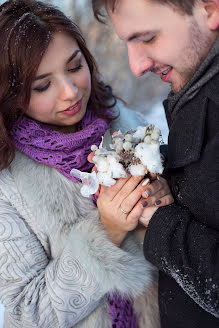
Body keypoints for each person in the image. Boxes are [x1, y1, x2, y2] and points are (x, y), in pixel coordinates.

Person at [0, 0, 173, 327]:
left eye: (75, 66)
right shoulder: (8, 184)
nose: (69, 92)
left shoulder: (124, 125)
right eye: (42, 85)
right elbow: (28, 313)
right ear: (9, 93)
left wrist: (163, 195)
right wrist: (106, 231)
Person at [91, 0, 219, 327]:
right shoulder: (196, 84)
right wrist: (151, 169)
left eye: (147, 38)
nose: (135, 65)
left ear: (210, 8)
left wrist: (160, 221)